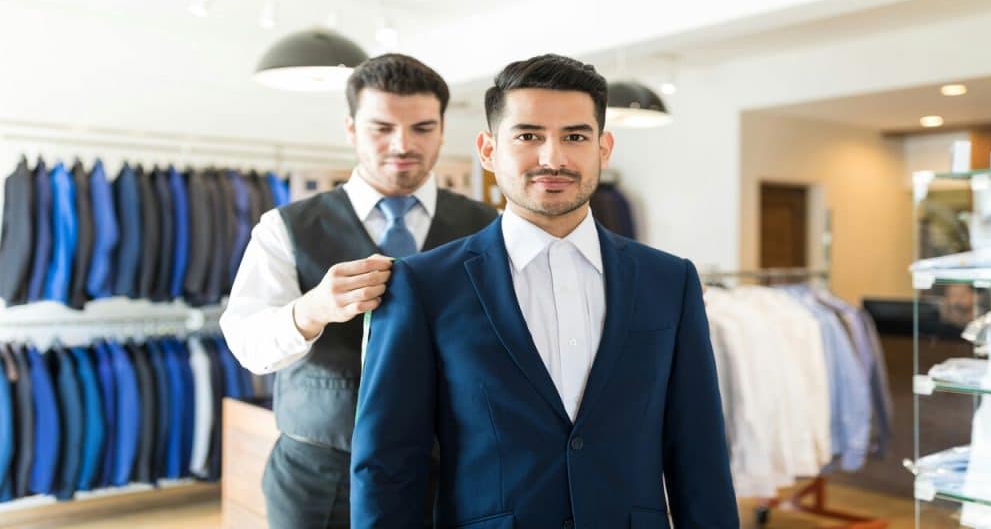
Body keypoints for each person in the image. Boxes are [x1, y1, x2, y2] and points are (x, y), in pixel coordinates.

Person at [351, 54, 739, 528]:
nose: (552, 158)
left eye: (575, 136)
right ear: (488, 150)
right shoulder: (423, 285)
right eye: (528, 136)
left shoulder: (669, 281)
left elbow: (698, 449)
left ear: (604, 147)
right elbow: (388, 463)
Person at [221, 53, 497, 528]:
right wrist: (311, 310)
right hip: (320, 477)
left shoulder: (487, 228)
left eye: (422, 128)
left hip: (453, 470)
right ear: (351, 128)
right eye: (381, 127)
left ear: (443, 130)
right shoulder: (284, 228)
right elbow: (247, 343)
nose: (402, 144)